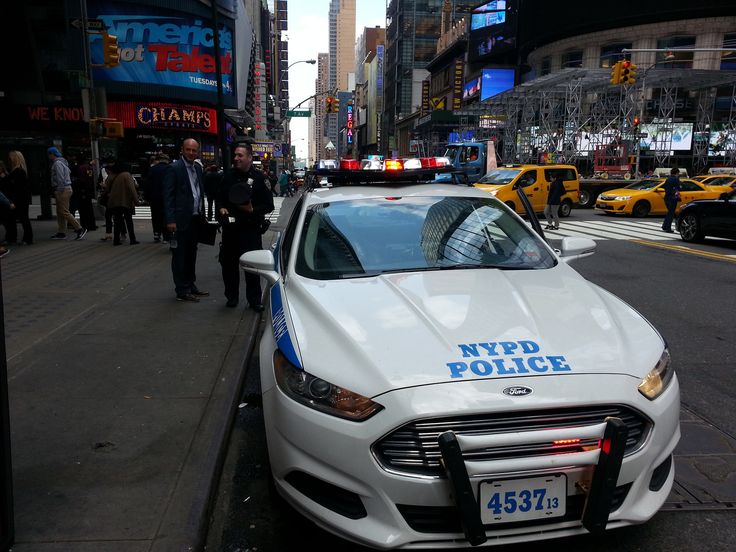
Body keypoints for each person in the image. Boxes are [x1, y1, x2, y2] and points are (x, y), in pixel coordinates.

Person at [216, 142, 274, 309]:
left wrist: (252, 209)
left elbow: (268, 205)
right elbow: (219, 197)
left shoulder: (259, 179)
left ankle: (254, 300)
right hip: (231, 231)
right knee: (229, 267)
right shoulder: (228, 177)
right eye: (235, 155)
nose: (236, 159)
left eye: (240, 156)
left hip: (250, 230)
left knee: (252, 267)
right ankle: (232, 297)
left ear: (249, 157)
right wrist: (221, 208)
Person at [163, 138, 209, 303]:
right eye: (188, 149)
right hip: (180, 220)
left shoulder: (197, 168)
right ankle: (181, 289)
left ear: (197, 152)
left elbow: (198, 191)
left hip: (195, 218)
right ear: (182, 150)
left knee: (191, 254)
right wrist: (170, 220)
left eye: (194, 150)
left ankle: (190, 284)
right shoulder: (174, 168)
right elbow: (168, 197)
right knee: (180, 255)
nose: (191, 153)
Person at [48, 146, 87, 240]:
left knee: (63, 211)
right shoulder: (63, 162)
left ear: (52, 154)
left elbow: (60, 178)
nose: (48, 157)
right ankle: (61, 232)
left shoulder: (57, 163)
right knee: (61, 211)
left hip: (62, 189)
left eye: (49, 154)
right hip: (66, 189)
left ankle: (79, 228)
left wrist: (59, 191)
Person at [104, 160, 139, 245]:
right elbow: (132, 189)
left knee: (117, 220)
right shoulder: (127, 175)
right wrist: (136, 200)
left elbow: (106, 188)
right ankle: (132, 239)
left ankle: (116, 240)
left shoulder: (111, 175)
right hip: (125, 201)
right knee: (129, 221)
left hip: (114, 202)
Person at [6, 151, 33, 245]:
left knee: (22, 218)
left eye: (10, 158)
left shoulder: (18, 171)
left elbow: (18, 188)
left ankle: (27, 238)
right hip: (21, 198)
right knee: (22, 218)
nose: (9, 160)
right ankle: (25, 238)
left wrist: (13, 200)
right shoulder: (20, 171)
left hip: (19, 199)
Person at [144, 153, 171, 242]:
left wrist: (147, 196)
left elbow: (147, 184)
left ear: (158, 160)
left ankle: (156, 233)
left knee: (155, 215)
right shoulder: (169, 169)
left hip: (154, 197)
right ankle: (166, 236)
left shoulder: (152, 169)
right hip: (166, 196)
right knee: (166, 216)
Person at [73, 157, 98, 232]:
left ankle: (84, 225)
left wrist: (76, 181)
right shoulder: (89, 168)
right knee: (89, 208)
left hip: (82, 190)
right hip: (88, 190)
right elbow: (90, 178)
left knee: (83, 209)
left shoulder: (81, 168)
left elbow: (81, 179)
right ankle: (91, 225)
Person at [662, 167, 681, 233]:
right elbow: (679, 188)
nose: (678, 174)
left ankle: (664, 226)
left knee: (669, 212)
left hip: (667, 197)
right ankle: (668, 227)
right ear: (676, 173)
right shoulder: (676, 179)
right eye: (678, 173)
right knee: (671, 213)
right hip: (672, 198)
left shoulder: (668, 179)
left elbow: (665, 187)